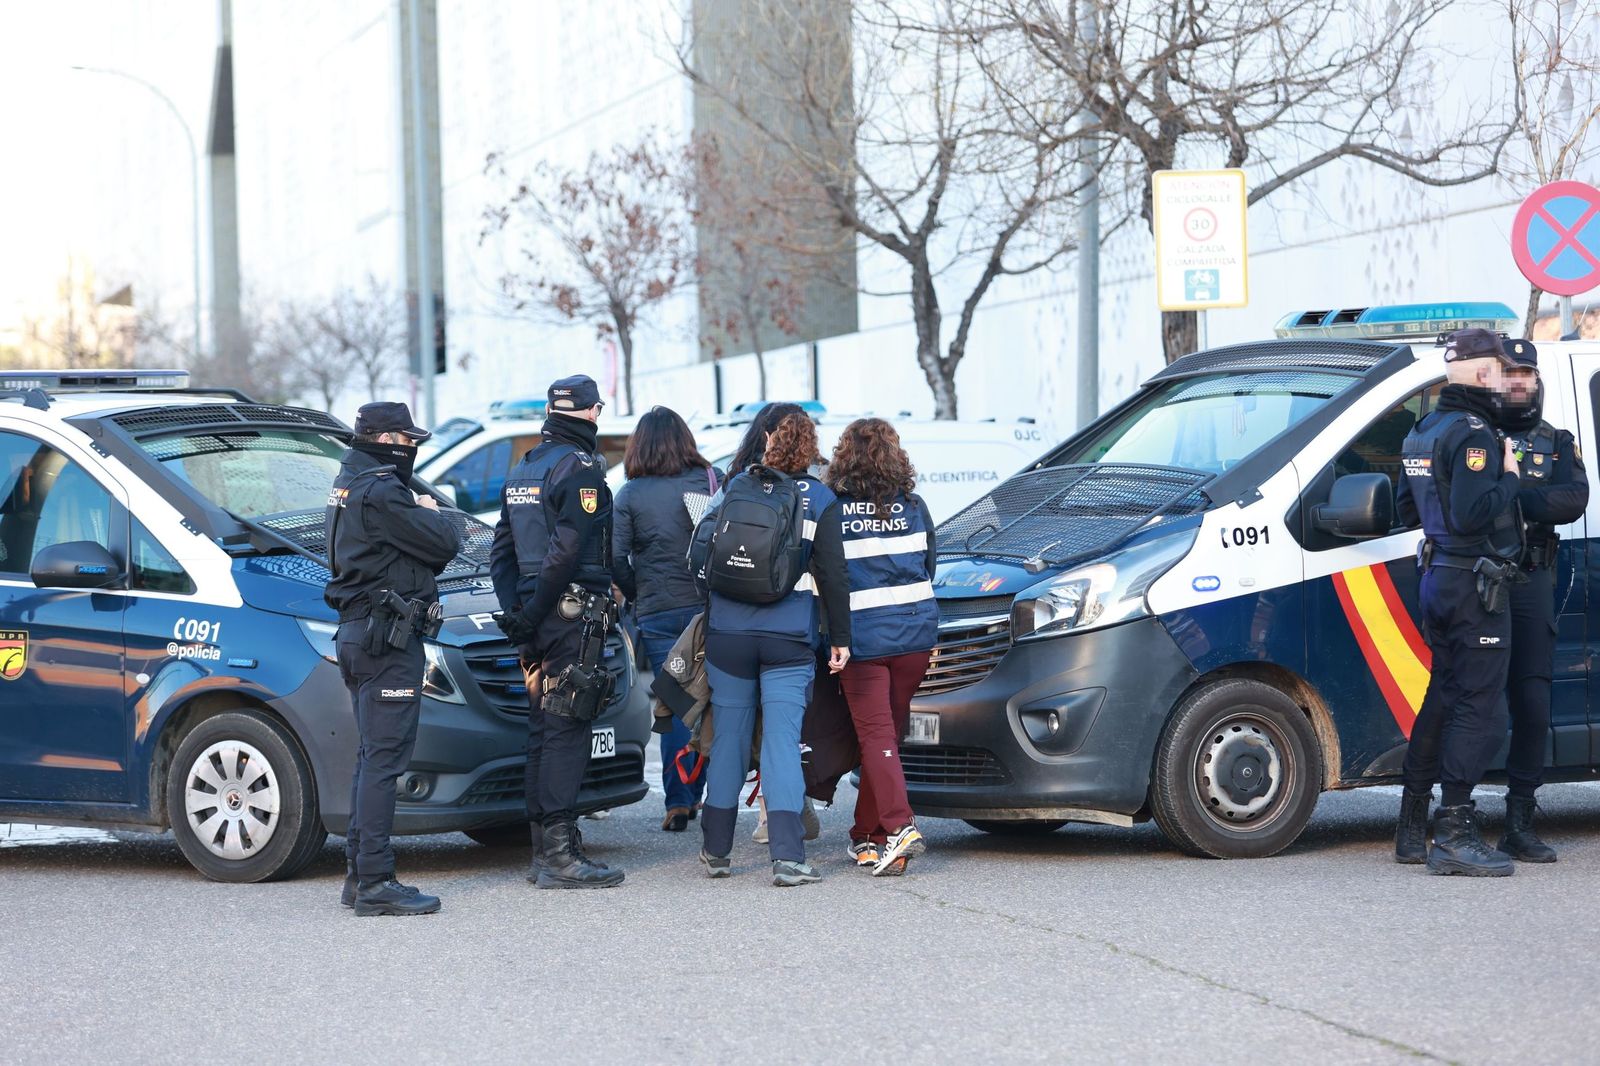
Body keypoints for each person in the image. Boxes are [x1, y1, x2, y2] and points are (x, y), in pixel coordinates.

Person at [1392, 328, 1524, 876]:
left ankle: (1411, 826)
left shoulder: (1422, 430)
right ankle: (1454, 831)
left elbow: (1405, 510)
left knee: (1443, 698)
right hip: (1475, 584)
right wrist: (1511, 478)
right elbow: (1474, 512)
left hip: (1438, 577)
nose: (1502, 380)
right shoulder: (1474, 433)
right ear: (1479, 371)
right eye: (1497, 368)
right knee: (1480, 707)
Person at [698, 412, 851, 886]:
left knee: (729, 738)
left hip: (729, 634)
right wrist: (841, 639)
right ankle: (787, 858)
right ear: (812, 450)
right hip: (787, 638)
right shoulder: (822, 499)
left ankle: (716, 851)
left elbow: (698, 552)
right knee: (782, 742)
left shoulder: (733, 488)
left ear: (766, 442)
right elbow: (832, 575)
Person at [325, 401, 460, 916]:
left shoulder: (350, 479)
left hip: (361, 635)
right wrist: (429, 513)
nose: (413, 451)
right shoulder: (383, 491)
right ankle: (377, 881)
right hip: (386, 641)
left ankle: (359, 877)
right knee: (386, 761)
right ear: (386, 441)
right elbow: (444, 542)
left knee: (371, 759)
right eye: (408, 442)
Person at [489, 374, 623, 889]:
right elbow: (566, 551)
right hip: (570, 615)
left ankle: (544, 853)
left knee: (543, 733)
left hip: (535, 616)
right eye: (597, 410)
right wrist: (537, 607)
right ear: (590, 413)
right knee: (567, 731)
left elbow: (503, 549)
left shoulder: (525, 466)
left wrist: (519, 613)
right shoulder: (581, 467)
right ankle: (561, 857)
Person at [1480, 340, 1584, 859]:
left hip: (1532, 580)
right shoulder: (1475, 436)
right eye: (1511, 373)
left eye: (1527, 373)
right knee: (1470, 699)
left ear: (1536, 381)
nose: (1519, 381)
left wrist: (1511, 489)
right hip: (1481, 581)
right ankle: (1449, 810)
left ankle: (1519, 819)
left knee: (1533, 702)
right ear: (1495, 380)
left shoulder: (1557, 442)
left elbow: (1573, 499)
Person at [825, 418, 938, 876]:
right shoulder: (915, 506)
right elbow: (929, 563)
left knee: (876, 737)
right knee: (885, 737)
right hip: (915, 636)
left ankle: (898, 826)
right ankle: (866, 838)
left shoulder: (834, 509)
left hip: (863, 640)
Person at [613, 406, 719, 831]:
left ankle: (678, 801)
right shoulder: (711, 481)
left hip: (657, 612)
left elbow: (615, 557)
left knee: (674, 703)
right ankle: (711, 793)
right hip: (708, 610)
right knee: (713, 701)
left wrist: (638, 593)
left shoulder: (630, 494)